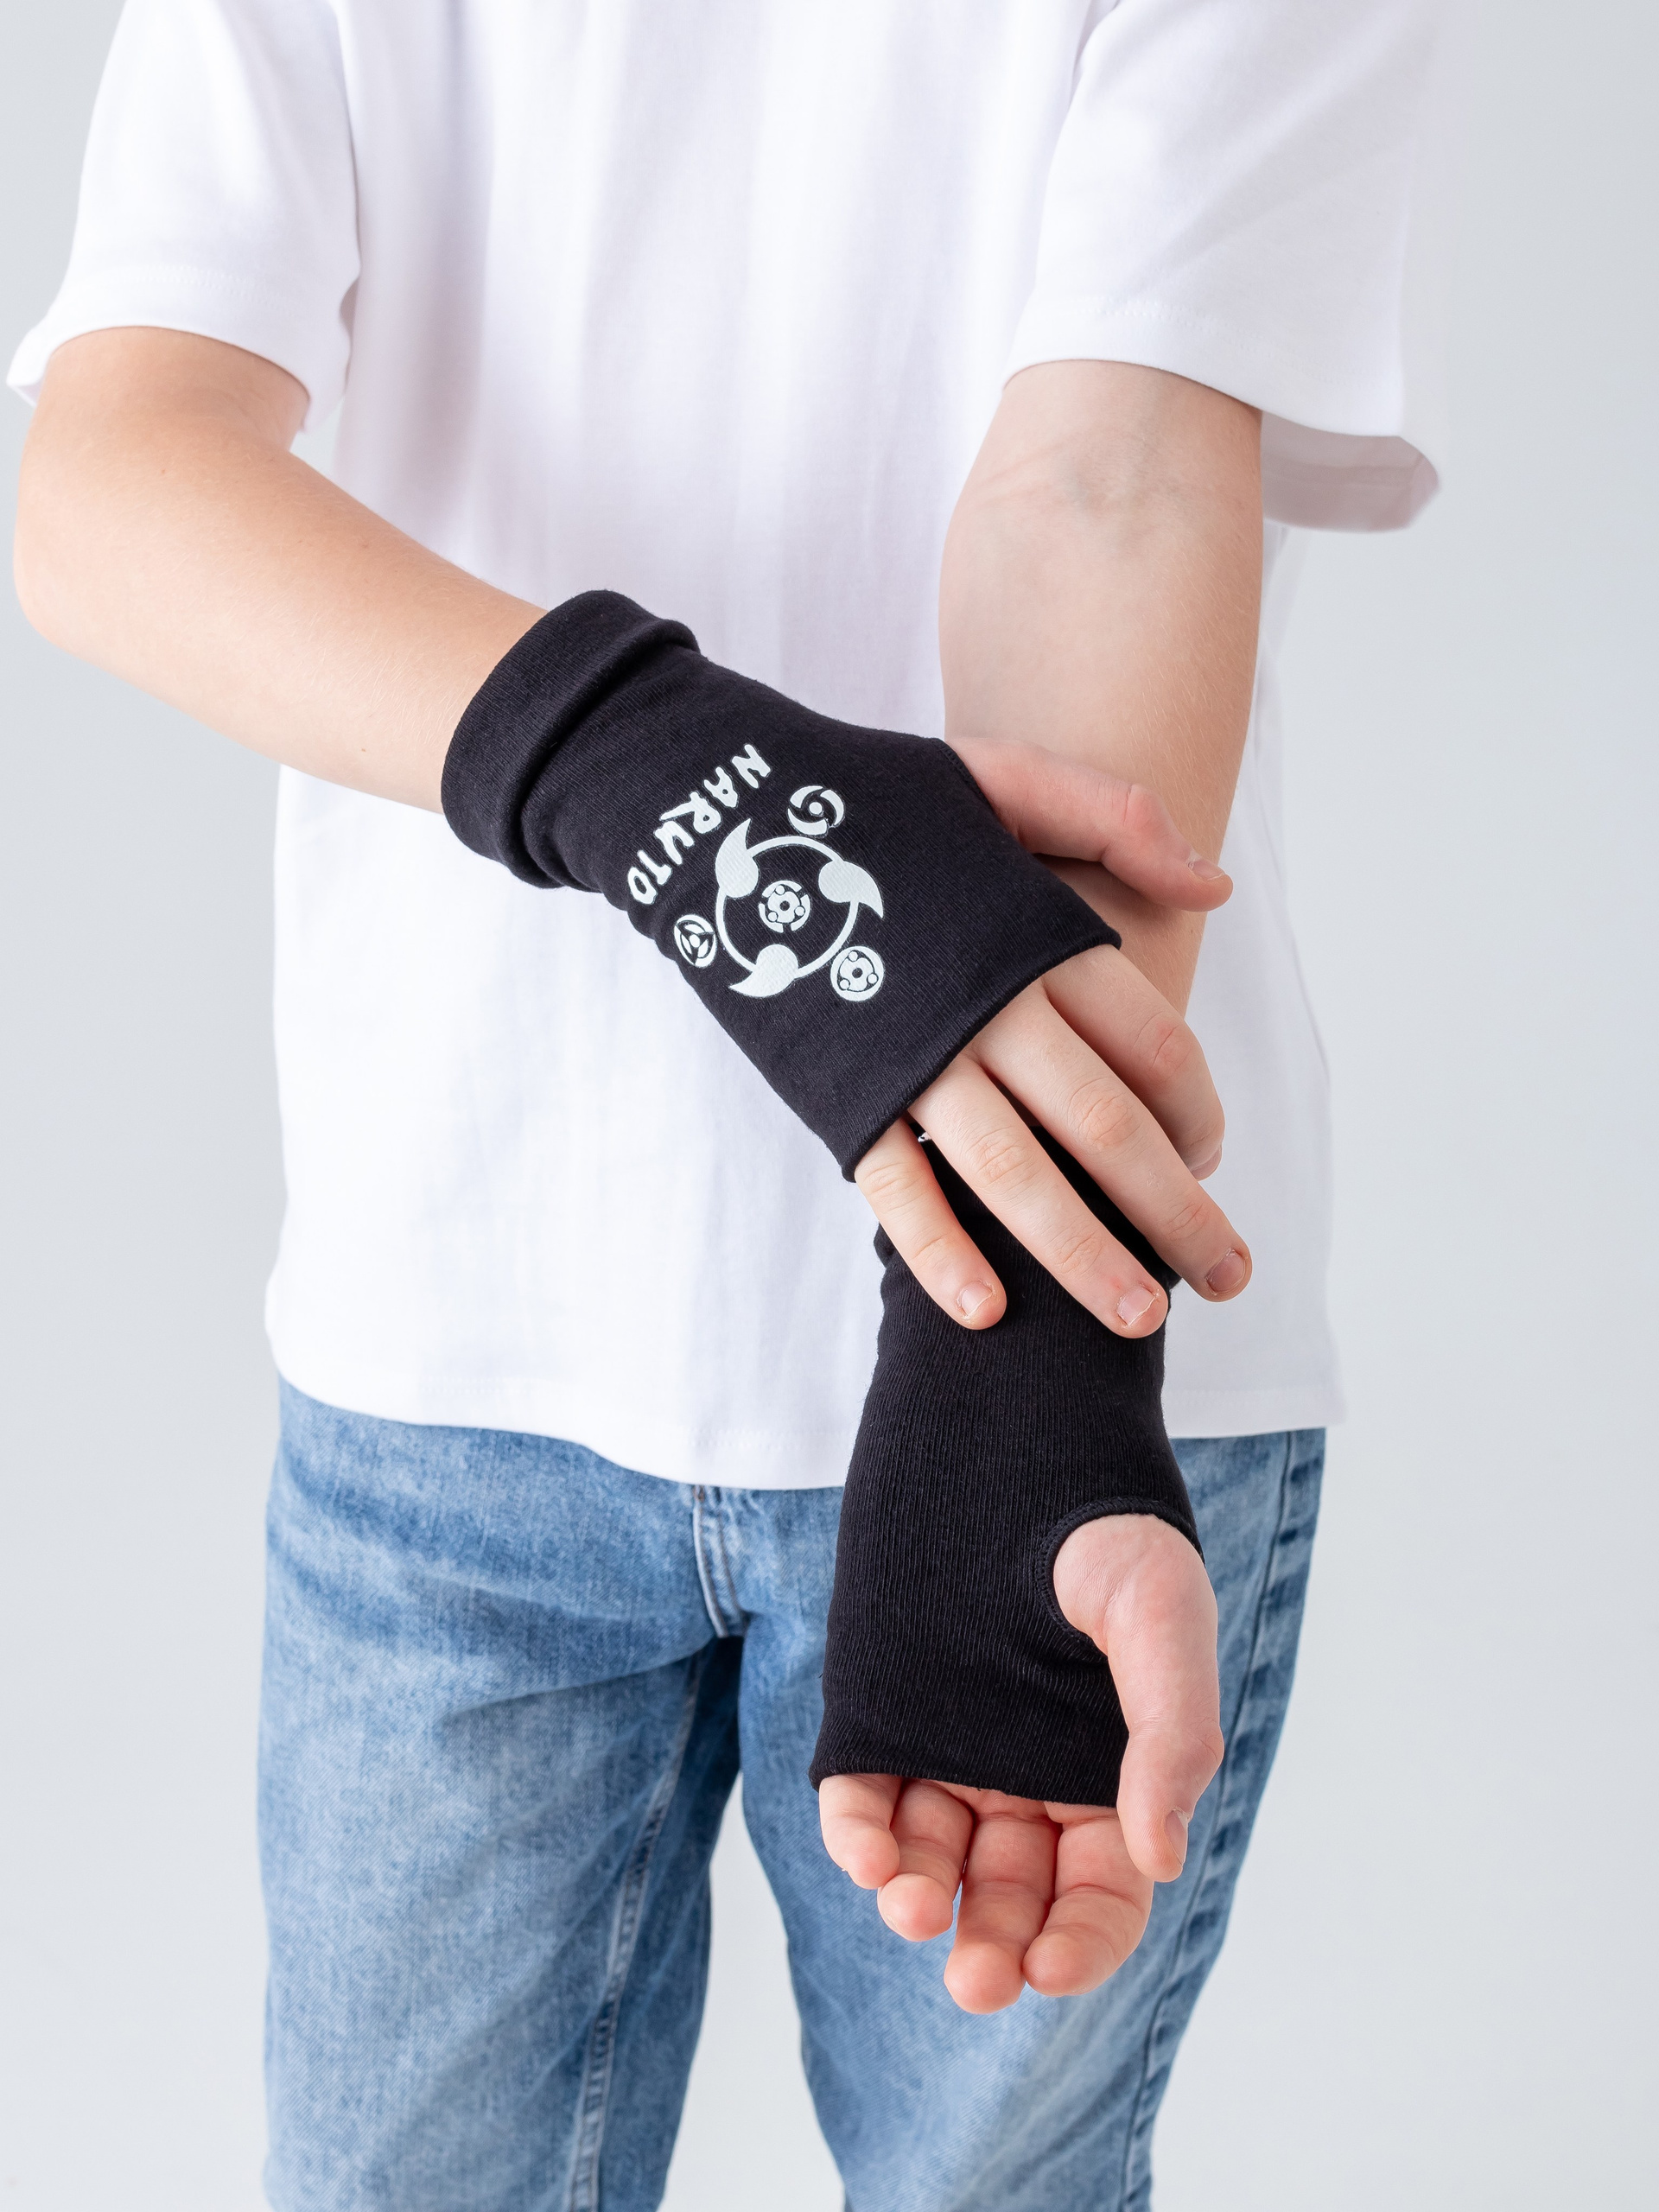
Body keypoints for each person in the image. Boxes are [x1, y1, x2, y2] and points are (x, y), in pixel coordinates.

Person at [10, 2, 1440, 2206]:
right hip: (458, 1330)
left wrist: (1023, 1371)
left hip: (1048, 1362)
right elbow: (115, 466)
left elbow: (1122, 473)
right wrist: (670, 775)